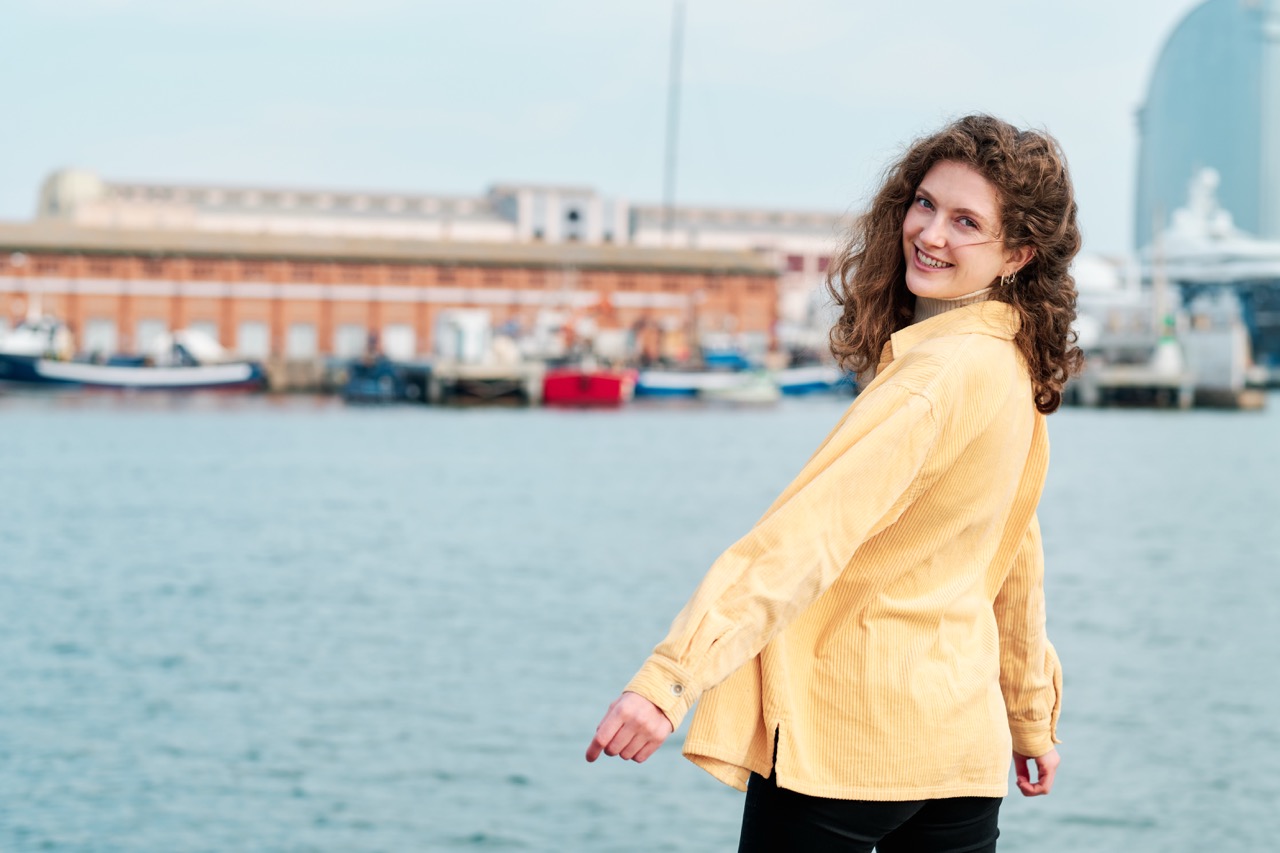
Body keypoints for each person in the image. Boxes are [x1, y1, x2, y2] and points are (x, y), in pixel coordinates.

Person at [586, 114, 1080, 852]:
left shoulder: (931, 382)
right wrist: (1030, 715)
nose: (930, 233)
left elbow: (805, 539)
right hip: (960, 755)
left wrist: (668, 681)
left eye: (966, 221)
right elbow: (1015, 555)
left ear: (1017, 253)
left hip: (847, 741)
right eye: (925, 203)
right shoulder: (1010, 366)